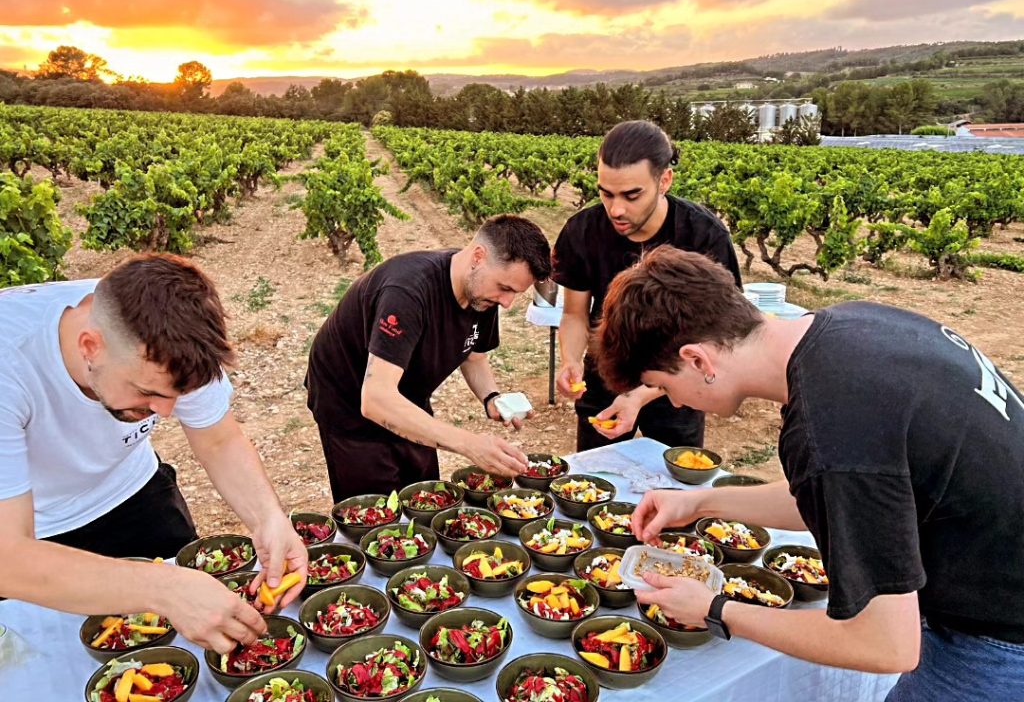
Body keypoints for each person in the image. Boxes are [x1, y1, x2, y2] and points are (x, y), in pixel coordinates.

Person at [595, 246, 1024, 699]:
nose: (675, 403)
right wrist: (701, 501)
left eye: (664, 386)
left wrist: (716, 610)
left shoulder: (829, 424)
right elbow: (842, 493)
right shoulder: (847, 326)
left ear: (698, 360)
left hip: (996, 640)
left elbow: (887, 646)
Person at [0, 254, 308, 654]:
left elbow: (218, 440)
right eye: (148, 393)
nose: (165, 412)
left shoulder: (172, 332)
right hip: (39, 535)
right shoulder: (10, 366)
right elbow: (10, 557)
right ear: (90, 347)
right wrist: (164, 588)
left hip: (136, 493)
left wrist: (269, 519)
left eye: (176, 397)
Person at [306, 214, 552, 501]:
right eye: (505, 288)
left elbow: (473, 356)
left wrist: (491, 396)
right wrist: (468, 444)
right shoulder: (407, 292)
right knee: (378, 517)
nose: (507, 303)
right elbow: (375, 400)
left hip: (406, 394)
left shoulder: (481, 295)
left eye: (516, 293)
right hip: (350, 403)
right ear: (478, 256)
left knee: (425, 498)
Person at [551, 119, 741, 452]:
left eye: (632, 195)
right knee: (596, 485)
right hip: (604, 378)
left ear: (664, 180)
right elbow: (575, 315)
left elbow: (716, 338)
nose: (616, 209)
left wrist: (641, 396)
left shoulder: (703, 236)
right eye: (605, 193)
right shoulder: (581, 232)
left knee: (675, 488)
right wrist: (570, 360)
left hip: (680, 385)